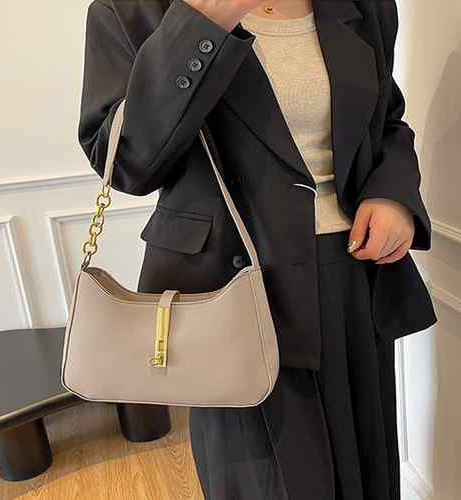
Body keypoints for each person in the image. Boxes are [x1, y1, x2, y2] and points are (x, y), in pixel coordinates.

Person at [77, 0, 438, 498]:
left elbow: (387, 121)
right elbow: (125, 163)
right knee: (265, 483)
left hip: (353, 274)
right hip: (232, 294)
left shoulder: (363, 5)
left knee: (366, 468)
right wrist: (202, 25)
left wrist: (392, 194)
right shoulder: (132, 11)